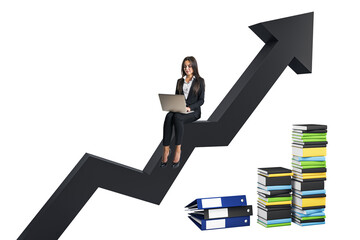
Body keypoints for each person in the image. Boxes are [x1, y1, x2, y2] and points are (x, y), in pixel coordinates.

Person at [160, 56, 205, 168]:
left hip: (193, 112)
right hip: (180, 109)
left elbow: (201, 100)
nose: (187, 68)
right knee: (169, 116)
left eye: (189, 66)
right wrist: (174, 106)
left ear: (194, 66)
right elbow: (177, 97)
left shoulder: (200, 81)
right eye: (185, 66)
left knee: (177, 118)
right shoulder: (179, 81)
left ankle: (178, 149)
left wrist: (190, 108)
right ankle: (166, 149)